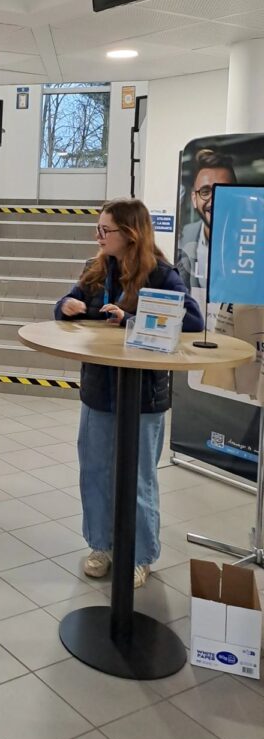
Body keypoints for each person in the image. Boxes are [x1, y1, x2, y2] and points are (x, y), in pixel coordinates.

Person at [55, 198, 203, 588]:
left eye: (106, 231)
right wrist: (66, 306)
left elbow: (192, 320)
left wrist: (132, 319)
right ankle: (101, 546)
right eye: (98, 229)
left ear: (131, 234)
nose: (99, 237)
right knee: (95, 470)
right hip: (100, 389)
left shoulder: (163, 274)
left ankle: (140, 555)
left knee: (138, 478)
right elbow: (64, 303)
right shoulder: (94, 268)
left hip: (143, 395)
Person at [177, 147, 237, 291]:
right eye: (205, 192)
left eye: (223, 190)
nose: (214, 199)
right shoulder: (182, 238)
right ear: (194, 199)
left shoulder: (253, 240)